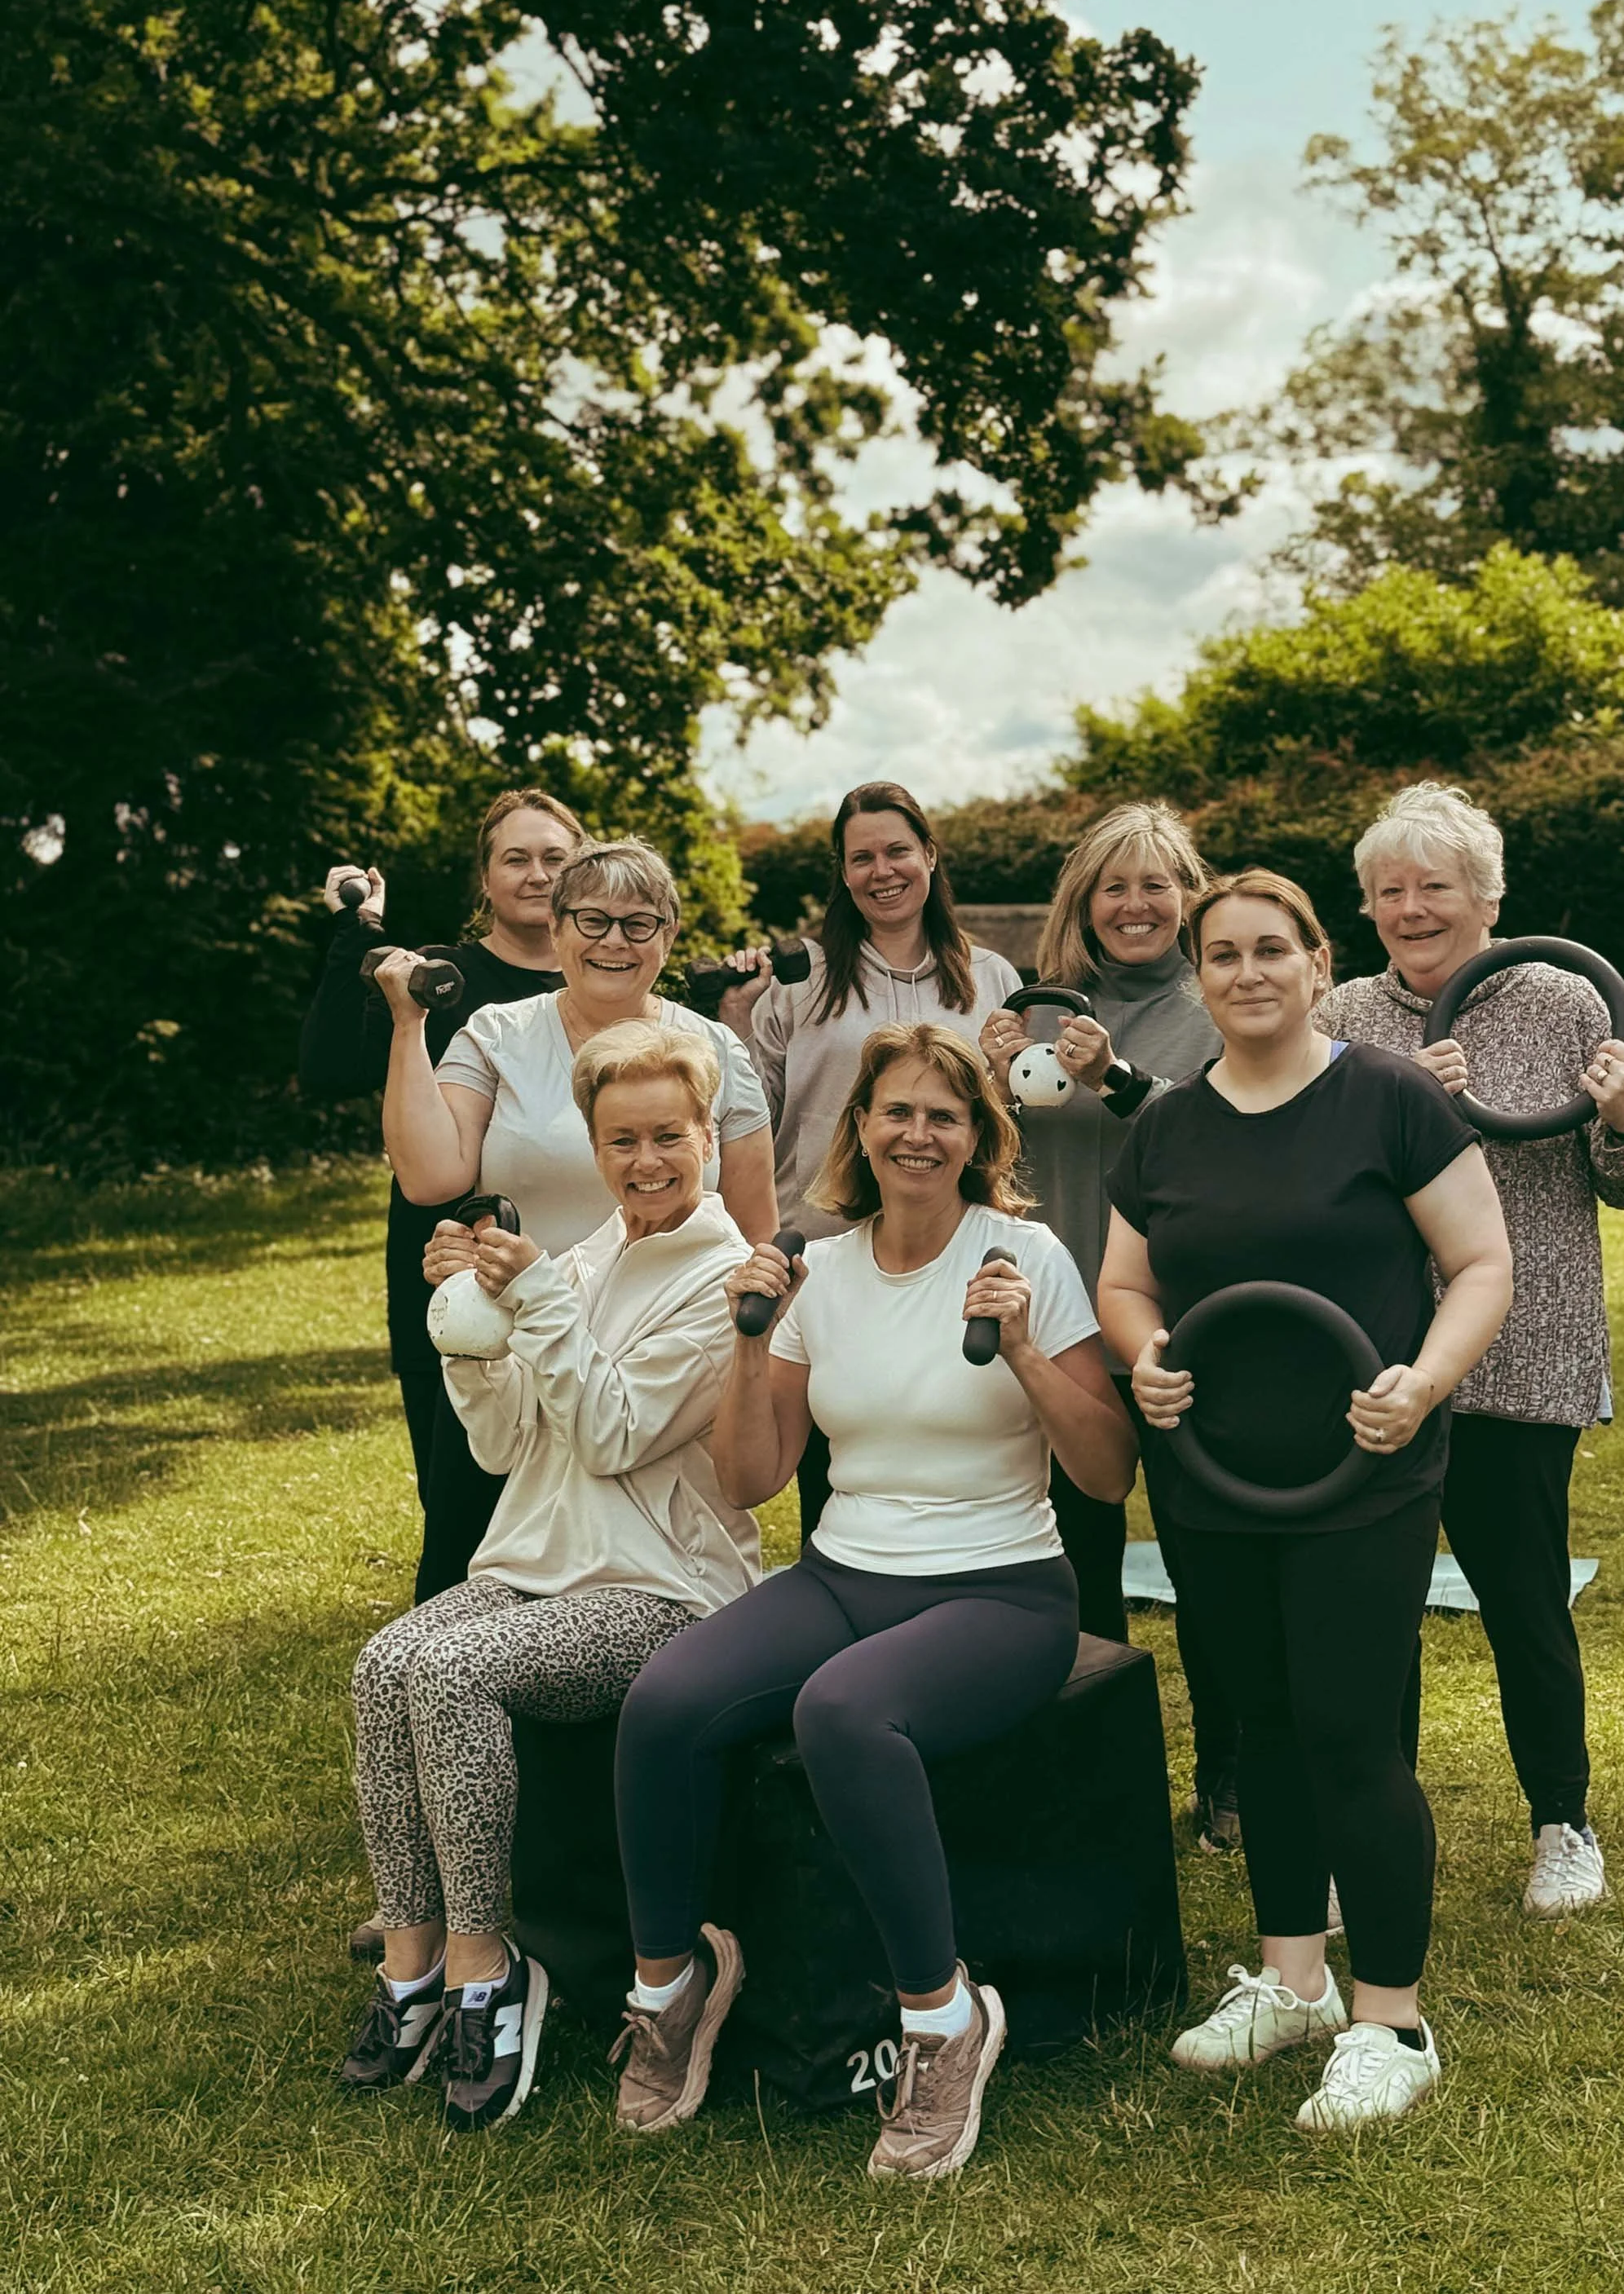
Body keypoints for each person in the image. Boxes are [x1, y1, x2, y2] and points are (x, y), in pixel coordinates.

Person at [610, 1024, 1135, 2180]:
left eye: (943, 1116)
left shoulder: (1026, 1257)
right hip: (846, 1574)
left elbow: (1106, 1472)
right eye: (895, 1110)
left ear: (977, 1139)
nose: (917, 1133)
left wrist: (1025, 1354)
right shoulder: (823, 1271)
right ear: (859, 1127)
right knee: (664, 1698)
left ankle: (945, 2021)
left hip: (1001, 1588)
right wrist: (747, 1341)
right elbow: (750, 1476)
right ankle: (670, 1983)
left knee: (843, 1713)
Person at [1099, 871, 1511, 2133]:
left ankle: (1393, 2018)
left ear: (1315, 960)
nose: (1245, 971)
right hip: (1214, 1480)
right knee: (1261, 1730)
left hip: (1364, 1468)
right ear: (1200, 975)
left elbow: (1480, 1262)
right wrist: (1144, 1357)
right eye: (1219, 954)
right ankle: (1293, 1979)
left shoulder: (1386, 1095)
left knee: (1345, 1733)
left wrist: (1423, 1381)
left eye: (1269, 948)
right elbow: (1125, 1282)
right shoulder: (1165, 1122)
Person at [338, 1022, 760, 2133]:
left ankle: (490, 1970)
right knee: (388, 1660)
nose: (646, 1160)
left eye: (668, 1133)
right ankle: (411, 1960)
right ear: (594, 1143)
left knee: (456, 1671)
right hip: (537, 1560)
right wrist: (470, 1337)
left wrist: (537, 1307)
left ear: (706, 1135)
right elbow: (505, 1441)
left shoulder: (726, 1280)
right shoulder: (577, 1258)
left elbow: (615, 1430)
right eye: (620, 1139)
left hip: (662, 1588)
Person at [1317, 780, 1624, 1918]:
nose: (1411, 907)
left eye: (1434, 885)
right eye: (1389, 890)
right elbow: (1308, 1183)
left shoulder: (1566, 998)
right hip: (1377, 1356)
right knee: (1370, 1610)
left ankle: (1562, 1823)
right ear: (1367, 907)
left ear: (1486, 896)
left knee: (1522, 1597)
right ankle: (1376, 1835)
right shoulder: (1343, 1019)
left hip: (1525, 1349)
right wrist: (1388, 1108)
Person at [376, 839, 779, 1603]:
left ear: (670, 935)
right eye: (592, 921)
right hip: (512, 1361)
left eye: (639, 923)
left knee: (623, 1594)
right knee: (463, 1579)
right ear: (555, 930)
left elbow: (756, 1233)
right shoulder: (497, 1032)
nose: (614, 942)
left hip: (661, 1359)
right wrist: (406, 1027)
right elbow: (431, 1176)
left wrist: (746, 1372)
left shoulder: (717, 1047)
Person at [977, 800, 1236, 1839]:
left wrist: (1115, 1077)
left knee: (1205, 1562)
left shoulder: (1215, 999)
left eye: (1154, 885)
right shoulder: (1041, 1012)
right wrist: (982, 1073)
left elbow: (1218, 1141)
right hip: (1060, 1331)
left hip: (1174, 1330)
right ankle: (1094, 1773)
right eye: (1111, 887)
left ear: (1186, 899)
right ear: (1082, 905)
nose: (1133, 905)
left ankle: (1228, 1776)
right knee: (1071, 1566)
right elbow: (980, 1166)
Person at [712, 781, 1019, 1537]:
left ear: (929, 857)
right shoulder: (800, 980)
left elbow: (1004, 1127)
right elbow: (751, 1112)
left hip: (950, 1258)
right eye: (861, 858)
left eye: (897, 852)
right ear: (842, 873)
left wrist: (1002, 1077)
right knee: (834, 1463)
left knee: (942, 1442)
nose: (882, 871)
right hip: (826, 1255)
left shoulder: (994, 980)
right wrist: (736, 1017)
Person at [297, 789, 583, 1505]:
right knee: (465, 1510)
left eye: (555, 858)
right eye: (514, 859)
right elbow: (327, 1071)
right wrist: (355, 933)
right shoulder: (434, 980)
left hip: (581, 1275)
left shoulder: (616, 984)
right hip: (448, 1274)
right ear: (485, 880)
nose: (537, 874)